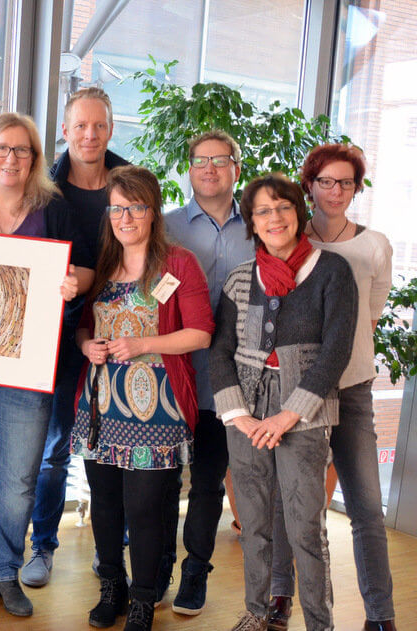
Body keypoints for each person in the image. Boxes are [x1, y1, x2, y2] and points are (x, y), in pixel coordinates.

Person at [0, 112, 94, 618]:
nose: (10, 158)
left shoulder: (55, 211)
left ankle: (6, 571)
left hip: (31, 363)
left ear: (35, 158)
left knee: (20, 475)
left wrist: (75, 286)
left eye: (21, 150)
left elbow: (84, 272)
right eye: (1, 148)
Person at [210, 173, 357, 631]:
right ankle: (257, 614)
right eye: (263, 210)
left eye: (283, 207)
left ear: (298, 211)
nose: (274, 217)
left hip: (304, 413)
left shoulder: (332, 271)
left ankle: (319, 622)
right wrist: (240, 416)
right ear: (251, 221)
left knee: (305, 529)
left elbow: (335, 350)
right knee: (252, 525)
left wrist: (290, 413)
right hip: (246, 414)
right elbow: (219, 351)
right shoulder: (239, 278)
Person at [72, 165, 213, 631]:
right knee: (106, 504)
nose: (125, 217)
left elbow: (200, 333)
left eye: (135, 207)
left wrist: (144, 344)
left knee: (146, 509)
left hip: (158, 410)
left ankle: (143, 599)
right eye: (117, 208)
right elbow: (82, 326)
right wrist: (85, 345)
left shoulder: (179, 263)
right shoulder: (101, 265)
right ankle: (111, 587)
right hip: (100, 406)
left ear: (152, 211)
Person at [266, 144, 396, 631]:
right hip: (295, 394)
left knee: (365, 507)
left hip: (354, 387)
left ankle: (380, 617)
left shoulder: (374, 245)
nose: (335, 191)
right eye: (325, 181)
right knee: (289, 502)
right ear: (309, 186)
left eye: (345, 182)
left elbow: (370, 315)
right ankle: (280, 597)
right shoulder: (290, 241)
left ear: (356, 187)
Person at [23, 86, 131, 588]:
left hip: (124, 331)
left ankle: (117, 547)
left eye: (100, 125)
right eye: (80, 126)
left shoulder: (130, 180)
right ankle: (42, 545)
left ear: (111, 129)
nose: (90, 134)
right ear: (65, 130)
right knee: (54, 447)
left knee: (124, 444)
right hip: (58, 333)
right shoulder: (41, 184)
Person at [160, 129, 255, 613]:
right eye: (200, 160)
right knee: (157, 483)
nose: (210, 168)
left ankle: (195, 573)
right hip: (171, 376)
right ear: (189, 169)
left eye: (221, 159)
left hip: (233, 384)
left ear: (237, 167)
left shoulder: (262, 226)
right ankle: (154, 573)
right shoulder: (167, 228)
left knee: (207, 482)